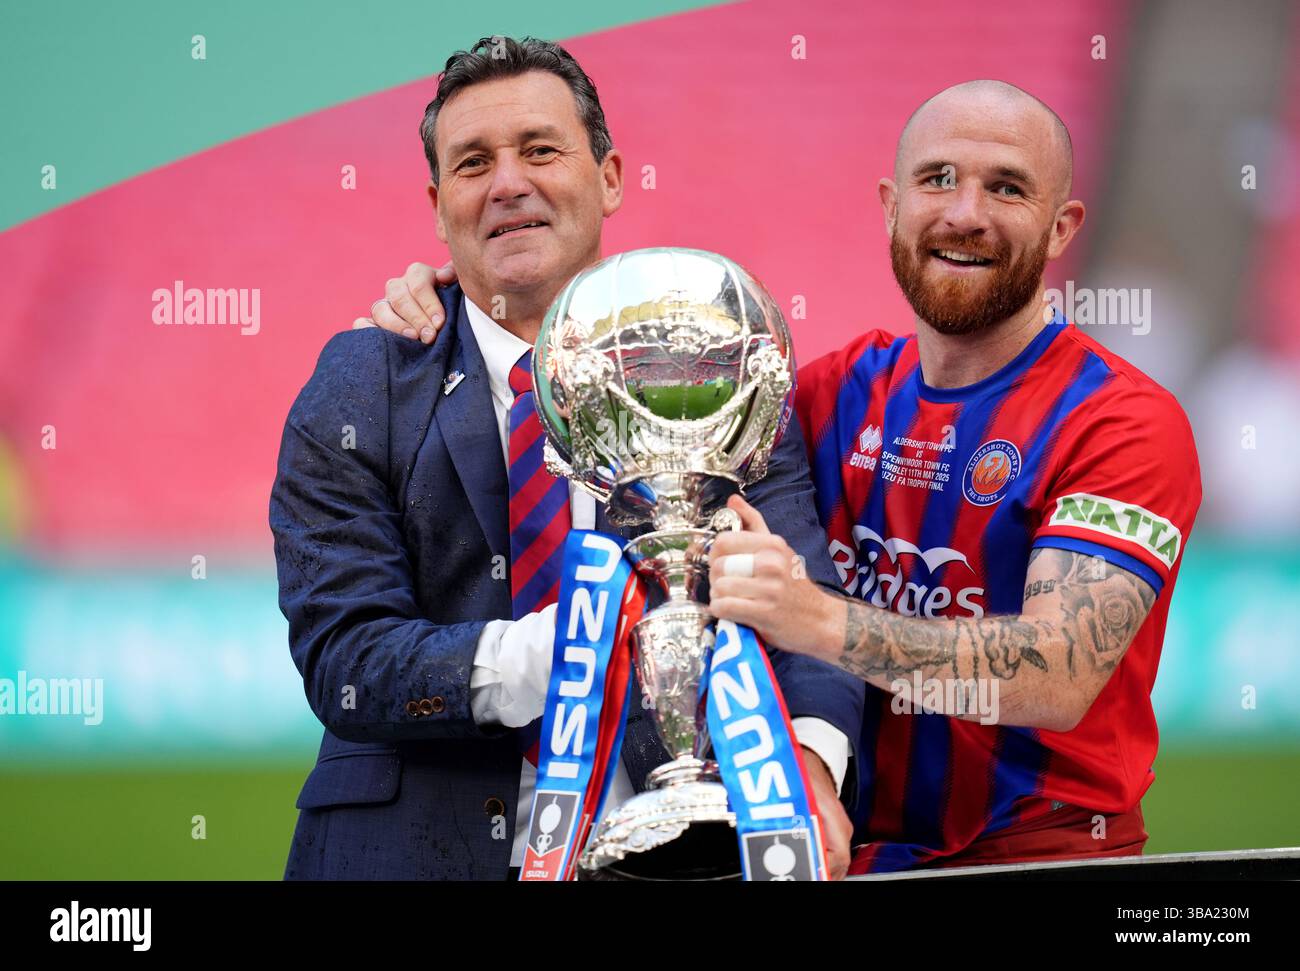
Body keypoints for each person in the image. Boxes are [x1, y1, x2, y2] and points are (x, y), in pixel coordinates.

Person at [366, 80, 1202, 873]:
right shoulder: (821, 395)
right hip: (831, 857)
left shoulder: (1122, 422)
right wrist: (472, 302)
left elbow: (1056, 675)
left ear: (1062, 227)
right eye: (936, 180)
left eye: (1008, 189)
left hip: (1041, 863)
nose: (964, 213)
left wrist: (814, 618)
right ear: (891, 206)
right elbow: (640, 392)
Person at [270, 36, 861, 881]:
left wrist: (806, 767)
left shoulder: (716, 367)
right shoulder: (361, 383)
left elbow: (808, 608)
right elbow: (346, 659)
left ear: (610, 177)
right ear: (440, 208)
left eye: (540, 150)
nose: (509, 181)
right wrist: (579, 648)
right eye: (474, 164)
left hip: (682, 856)